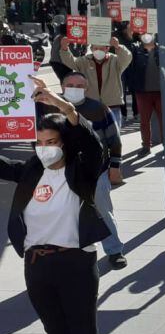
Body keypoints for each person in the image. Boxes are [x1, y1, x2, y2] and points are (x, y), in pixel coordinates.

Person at [2, 78, 111, 334]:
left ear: (64, 144)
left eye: (51, 142)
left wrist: (60, 104)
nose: (45, 148)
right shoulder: (31, 172)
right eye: (39, 143)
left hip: (76, 265)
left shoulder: (83, 170)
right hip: (38, 268)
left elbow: (92, 144)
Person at [55, 73, 128, 270]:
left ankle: (114, 251)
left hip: (96, 172)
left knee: (103, 212)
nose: (74, 88)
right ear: (62, 86)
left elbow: (114, 140)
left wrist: (115, 166)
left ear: (86, 88)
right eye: (69, 84)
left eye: (79, 85)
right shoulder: (50, 107)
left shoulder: (98, 108)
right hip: (61, 174)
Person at [59, 35, 132, 124]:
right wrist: (64, 48)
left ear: (107, 49)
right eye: (96, 48)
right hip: (91, 105)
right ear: (92, 49)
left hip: (112, 105)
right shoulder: (84, 61)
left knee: (114, 134)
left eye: (102, 48)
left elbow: (127, 57)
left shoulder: (115, 60)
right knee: (93, 135)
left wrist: (118, 46)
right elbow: (70, 62)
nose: (98, 51)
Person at [129, 32, 162, 157]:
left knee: (163, 120)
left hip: (161, 92)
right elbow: (130, 68)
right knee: (144, 121)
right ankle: (146, 146)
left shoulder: (162, 49)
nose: (147, 36)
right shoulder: (135, 50)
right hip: (142, 92)